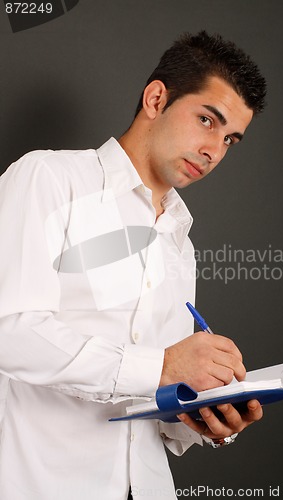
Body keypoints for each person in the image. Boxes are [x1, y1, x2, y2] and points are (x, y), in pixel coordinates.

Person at [0, 31, 266, 500]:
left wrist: (205, 416)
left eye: (230, 139)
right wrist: (162, 364)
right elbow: (11, 331)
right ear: (156, 98)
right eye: (207, 120)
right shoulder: (48, 178)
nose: (215, 150)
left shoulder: (179, 240)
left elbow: (153, 406)